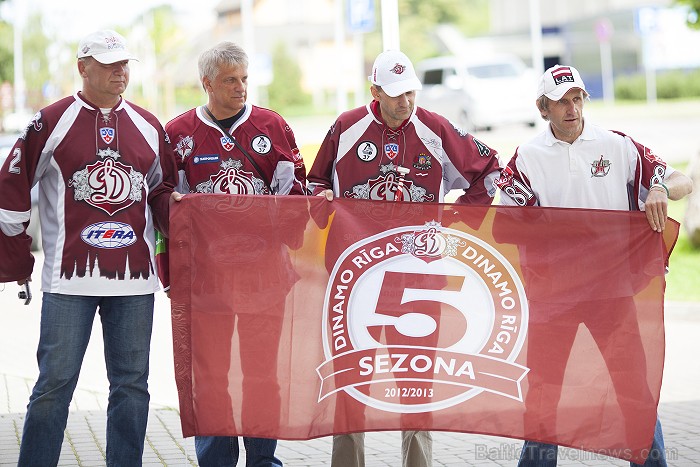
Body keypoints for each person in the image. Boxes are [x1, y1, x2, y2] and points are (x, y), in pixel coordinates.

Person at [307, 49, 503, 467]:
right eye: (395, 94)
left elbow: (489, 169)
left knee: (416, 382)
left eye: (410, 93)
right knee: (350, 376)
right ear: (374, 91)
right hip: (354, 277)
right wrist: (321, 201)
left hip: (416, 278)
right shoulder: (345, 127)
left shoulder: (434, 127)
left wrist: (452, 221)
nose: (405, 103)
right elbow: (315, 181)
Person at [494, 64, 693, 467]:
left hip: (611, 293)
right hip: (553, 296)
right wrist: (543, 226)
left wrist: (657, 187)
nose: (572, 109)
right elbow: (501, 225)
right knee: (543, 397)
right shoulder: (528, 157)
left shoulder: (617, 146)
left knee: (634, 390)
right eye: (561, 102)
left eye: (577, 98)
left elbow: (684, 181)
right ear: (542, 108)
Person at [0, 30, 177, 466]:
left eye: (125, 63)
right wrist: (18, 257)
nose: (121, 71)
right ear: (83, 66)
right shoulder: (49, 121)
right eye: (110, 63)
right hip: (67, 281)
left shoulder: (149, 125)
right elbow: (12, 185)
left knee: (133, 386)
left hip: (135, 283)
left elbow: (166, 191)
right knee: (53, 386)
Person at [156, 41, 306, 467]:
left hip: (265, 277)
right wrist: (173, 260)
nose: (240, 88)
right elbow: (162, 198)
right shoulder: (179, 133)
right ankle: (216, 462)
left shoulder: (273, 127)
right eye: (229, 81)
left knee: (262, 376)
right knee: (210, 378)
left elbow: (295, 193)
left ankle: (263, 461)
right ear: (206, 83)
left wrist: (279, 222)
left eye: (244, 80)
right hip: (206, 281)